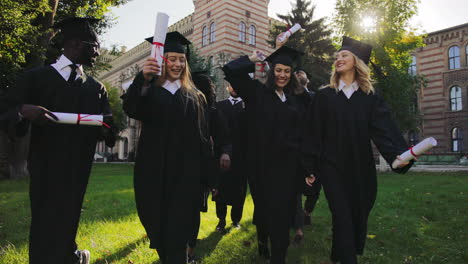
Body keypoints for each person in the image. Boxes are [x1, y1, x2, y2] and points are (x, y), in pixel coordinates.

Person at [0, 17, 116, 264]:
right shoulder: (37, 78)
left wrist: (106, 127)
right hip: (45, 161)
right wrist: (23, 111)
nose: (98, 52)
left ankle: (69, 256)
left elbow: (108, 125)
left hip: (78, 164)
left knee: (70, 212)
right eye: (94, 45)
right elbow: (6, 111)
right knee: (45, 213)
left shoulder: (96, 88)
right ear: (74, 44)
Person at [302, 36, 413, 264]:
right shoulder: (324, 96)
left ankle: (337, 255)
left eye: (343, 55)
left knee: (356, 214)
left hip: (361, 166)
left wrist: (398, 157)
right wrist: (310, 166)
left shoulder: (370, 98)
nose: (338, 59)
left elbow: (384, 130)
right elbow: (313, 133)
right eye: (336, 57)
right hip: (331, 166)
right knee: (341, 215)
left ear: (357, 61)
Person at [121, 32, 210, 264]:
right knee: (156, 226)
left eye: (181, 60)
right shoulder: (148, 91)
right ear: (161, 60)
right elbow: (131, 109)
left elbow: (203, 138)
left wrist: (210, 178)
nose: (178, 64)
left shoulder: (195, 96)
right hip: (153, 173)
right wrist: (143, 78)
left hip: (185, 175)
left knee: (178, 232)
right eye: (171, 59)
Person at [222, 44, 303, 264]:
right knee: (266, 212)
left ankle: (279, 257)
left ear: (292, 74)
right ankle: (262, 239)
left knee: (283, 215)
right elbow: (230, 71)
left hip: (288, 168)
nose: (282, 75)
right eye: (278, 70)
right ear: (271, 71)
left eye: (287, 71)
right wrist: (252, 58)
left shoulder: (297, 100)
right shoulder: (257, 93)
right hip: (262, 168)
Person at [186, 72, 230, 263]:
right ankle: (185, 248)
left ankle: (189, 250)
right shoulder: (183, 109)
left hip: (201, 167)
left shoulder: (212, 113)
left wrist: (224, 152)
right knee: (187, 209)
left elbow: (224, 139)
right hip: (184, 165)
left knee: (192, 209)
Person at [214, 84, 248, 232]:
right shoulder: (219, 106)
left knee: (239, 189)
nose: (234, 87)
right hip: (221, 154)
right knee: (220, 188)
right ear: (227, 87)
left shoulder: (247, 108)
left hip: (241, 156)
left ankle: (236, 220)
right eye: (231, 85)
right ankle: (221, 220)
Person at [289, 67, 317, 245]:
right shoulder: (289, 98)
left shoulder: (314, 97)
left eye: (303, 72)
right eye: (296, 72)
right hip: (294, 149)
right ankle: (298, 228)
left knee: (315, 188)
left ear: (308, 79)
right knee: (296, 191)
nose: (299, 73)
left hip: (313, 150)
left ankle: (307, 212)